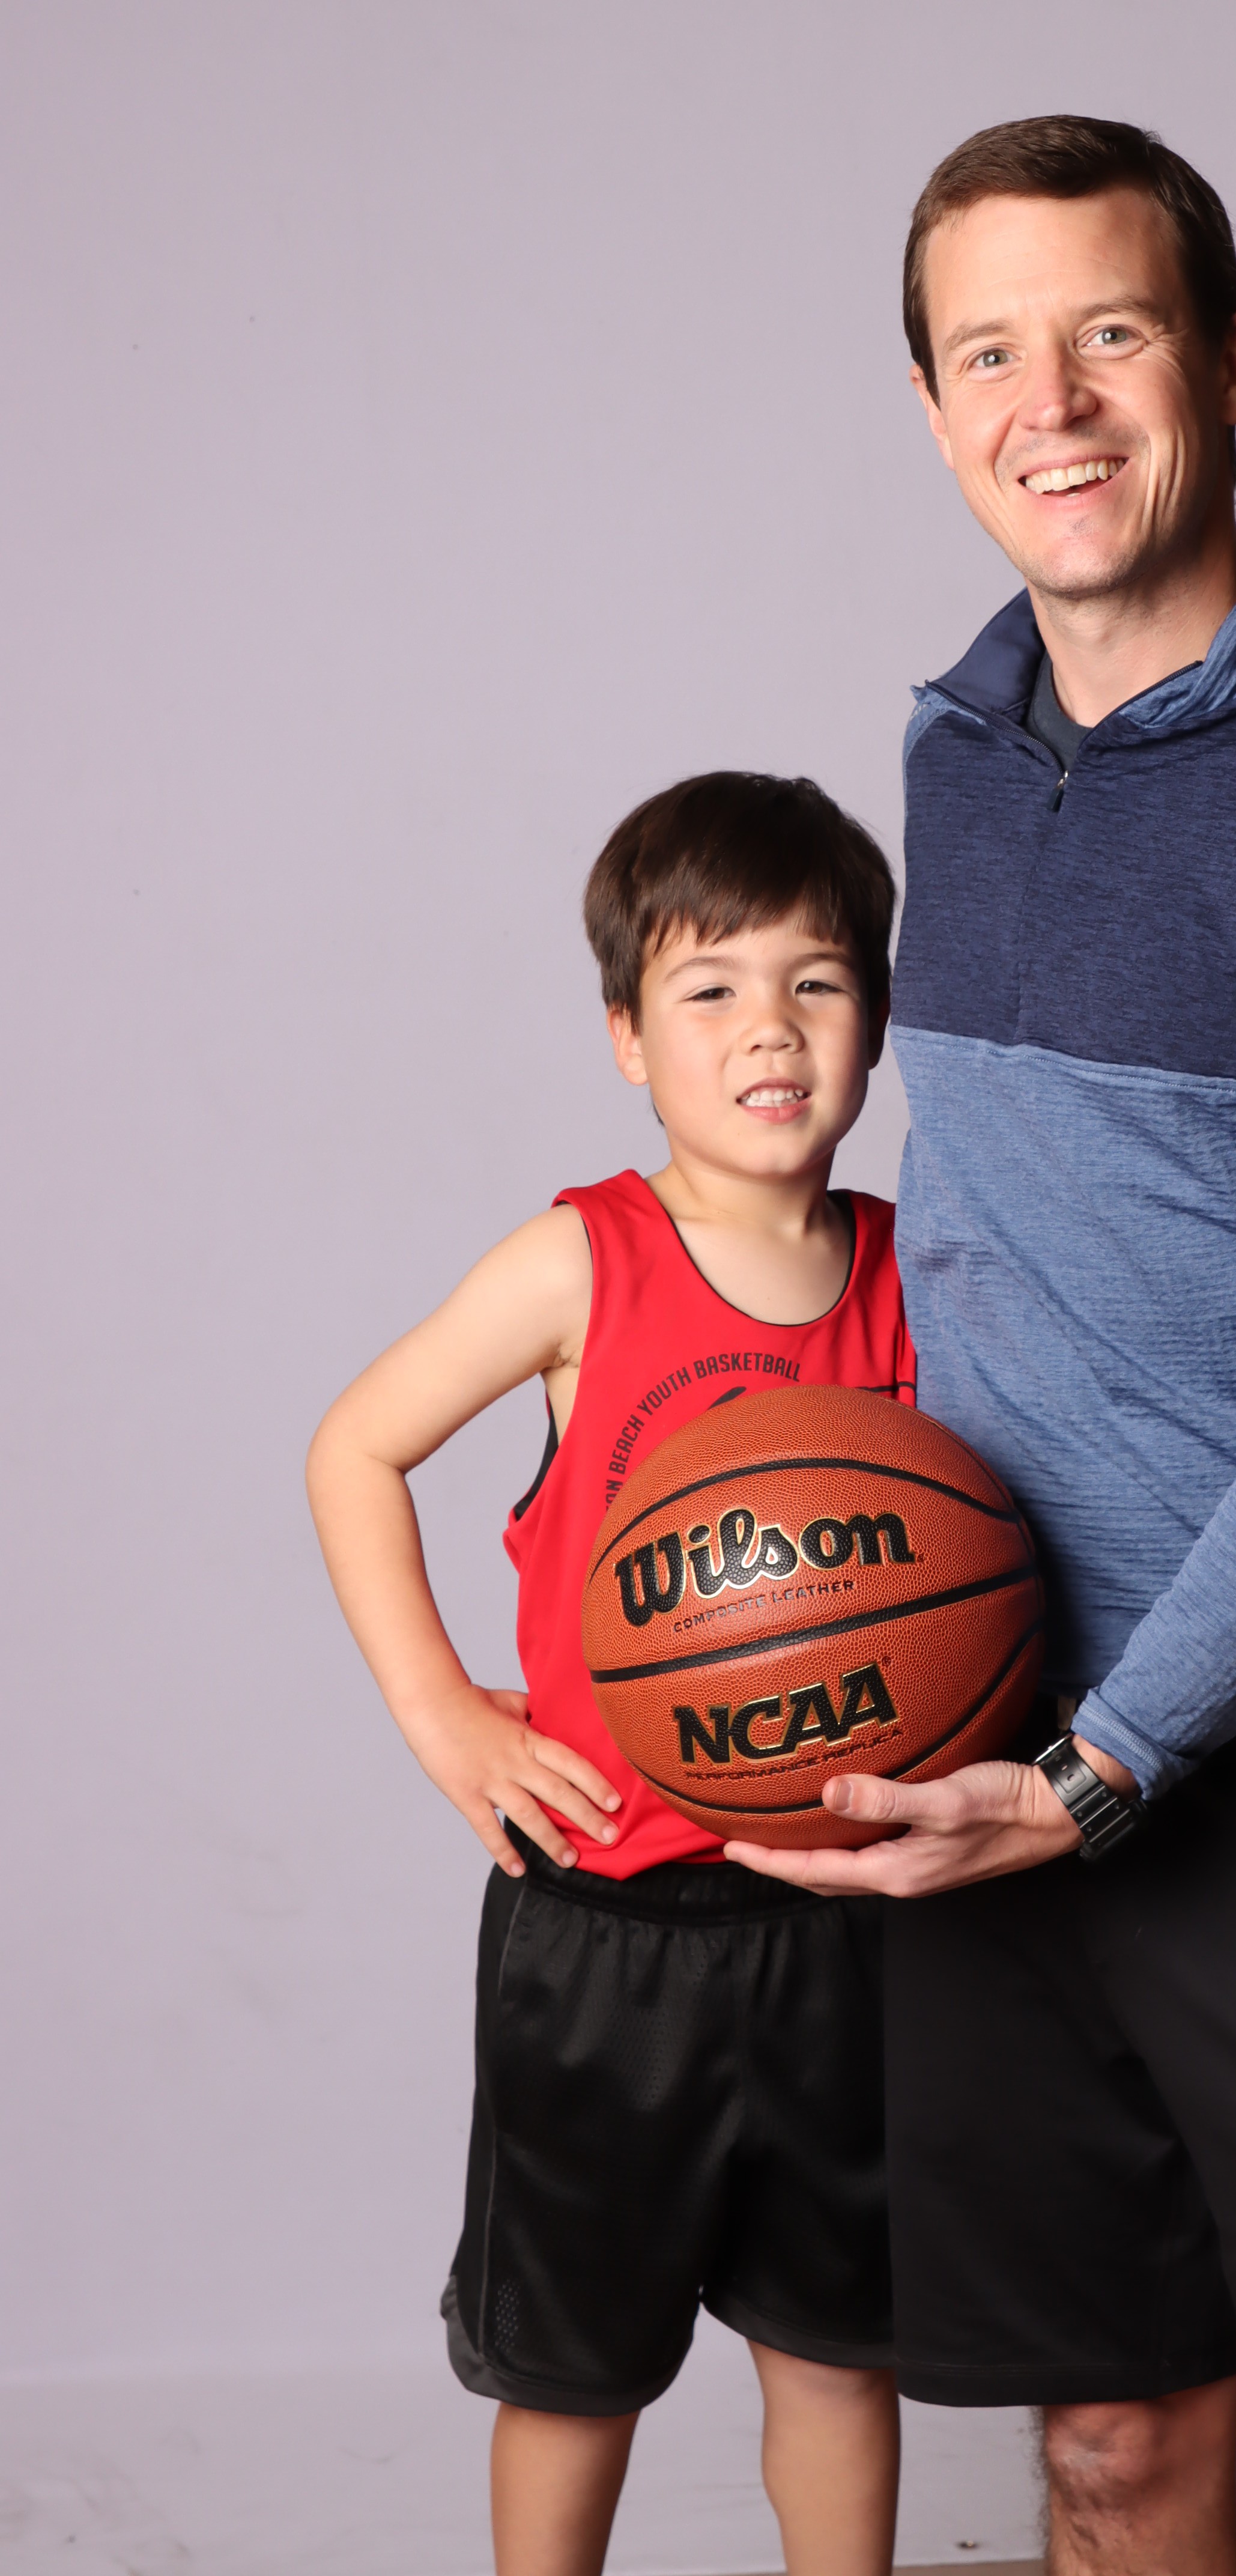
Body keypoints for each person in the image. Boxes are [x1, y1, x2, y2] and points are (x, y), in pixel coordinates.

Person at [728, 120, 1236, 2575]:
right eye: (988, 353)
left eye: (1111, 331)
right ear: (930, 408)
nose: (1054, 405)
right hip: (975, 1705)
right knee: (1106, 2453)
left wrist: (1105, 1774)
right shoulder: (955, 753)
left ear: (1231, 359)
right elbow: (978, 1237)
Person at [306, 773, 913, 2576]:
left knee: (840, 2356)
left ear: (877, 1018)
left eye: (817, 982)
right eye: (711, 988)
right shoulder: (585, 1259)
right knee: (574, 2373)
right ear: (629, 1039)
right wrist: (441, 1713)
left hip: (847, 1929)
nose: (770, 1029)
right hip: (608, 1927)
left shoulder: (919, 1270)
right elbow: (354, 1448)